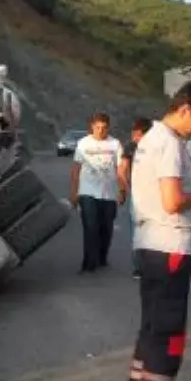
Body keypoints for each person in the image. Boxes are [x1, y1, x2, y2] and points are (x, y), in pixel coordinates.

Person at [122, 81, 191, 381]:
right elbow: (173, 201)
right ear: (185, 109)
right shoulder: (169, 144)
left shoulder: (150, 139)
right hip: (170, 246)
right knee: (168, 327)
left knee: (151, 323)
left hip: (149, 245)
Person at [69, 112, 123, 273]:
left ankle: (101, 256)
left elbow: (121, 169)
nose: (100, 131)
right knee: (90, 227)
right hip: (87, 192)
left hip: (109, 193)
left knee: (106, 228)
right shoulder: (83, 144)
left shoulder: (115, 144)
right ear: (92, 127)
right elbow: (75, 170)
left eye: (104, 128)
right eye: (97, 127)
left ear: (108, 128)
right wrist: (74, 192)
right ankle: (88, 263)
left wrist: (122, 189)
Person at [118, 117, 154, 280]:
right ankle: (139, 267)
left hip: (154, 194)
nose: (134, 136)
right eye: (133, 133)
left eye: (137, 134)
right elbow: (122, 171)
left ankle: (149, 265)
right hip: (138, 196)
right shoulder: (130, 147)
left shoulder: (155, 147)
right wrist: (127, 189)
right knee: (138, 231)